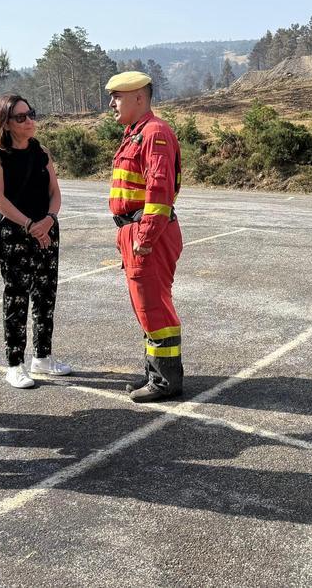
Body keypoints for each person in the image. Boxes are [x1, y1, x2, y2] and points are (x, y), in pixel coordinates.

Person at [0, 94, 70, 388]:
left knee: (46, 295)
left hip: (46, 230)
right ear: (5, 121)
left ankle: (42, 357)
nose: (30, 120)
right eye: (21, 117)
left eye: (31, 113)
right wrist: (30, 225)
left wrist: (48, 221)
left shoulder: (40, 151)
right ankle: (15, 364)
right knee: (16, 299)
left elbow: (55, 193)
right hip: (15, 233)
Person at [105, 71, 184, 402]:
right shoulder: (134, 133)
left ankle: (165, 381)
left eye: (117, 97)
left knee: (155, 309)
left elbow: (159, 190)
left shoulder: (154, 133)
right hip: (133, 231)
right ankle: (155, 372)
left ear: (139, 97)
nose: (112, 103)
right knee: (146, 308)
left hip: (147, 232)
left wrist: (145, 237)